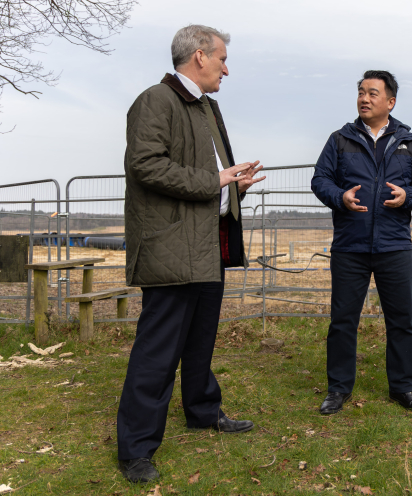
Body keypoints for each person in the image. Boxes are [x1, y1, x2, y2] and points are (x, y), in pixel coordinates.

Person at [117, 25, 265, 483]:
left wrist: (232, 183)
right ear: (199, 56)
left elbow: (208, 171)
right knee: (158, 351)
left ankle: (202, 410)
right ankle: (137, 449)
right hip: (171, 248)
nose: (227, 67)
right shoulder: (155, 101)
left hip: (207, 246)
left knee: (200, 341)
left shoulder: (207, 107)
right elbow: (145, 165)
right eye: (222, 58)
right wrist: (216, 182)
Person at [310, 70, 412, 415]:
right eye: (361, 92)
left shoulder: (409, 143)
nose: (365, 98)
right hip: (350, 245)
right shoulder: (340, 139)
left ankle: (403, 388)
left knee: (401, 319)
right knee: (343, 320)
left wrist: (408, 196)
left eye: (373, 93)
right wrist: (339, 196)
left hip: (394, 246)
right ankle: (338, 389)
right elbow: (319, 179)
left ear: (390, 102)